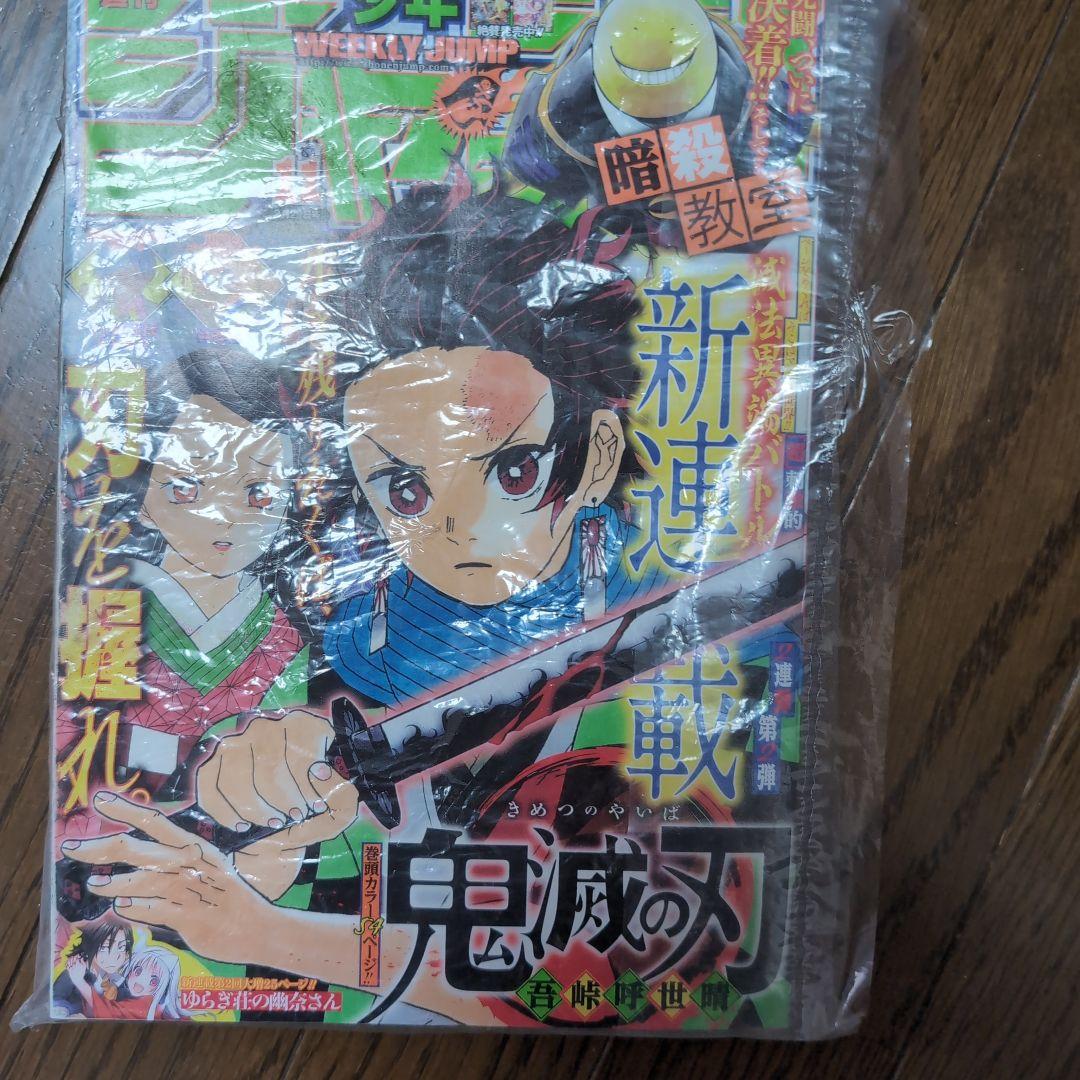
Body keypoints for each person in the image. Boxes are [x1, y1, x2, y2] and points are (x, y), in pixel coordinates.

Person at [65, 943, 184, 1021]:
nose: (140, 982)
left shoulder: (148, 1005)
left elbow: (109, 1013)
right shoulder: (119, 984)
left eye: (153, 981)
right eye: (138, 971)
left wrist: (79, 982)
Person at [52, 921, 132, 1018]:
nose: (115, 956)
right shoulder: (74, 972)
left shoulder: (121, 983)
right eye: (104, 948)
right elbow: (55, 1000)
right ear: (90, 947)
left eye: (122, 947)